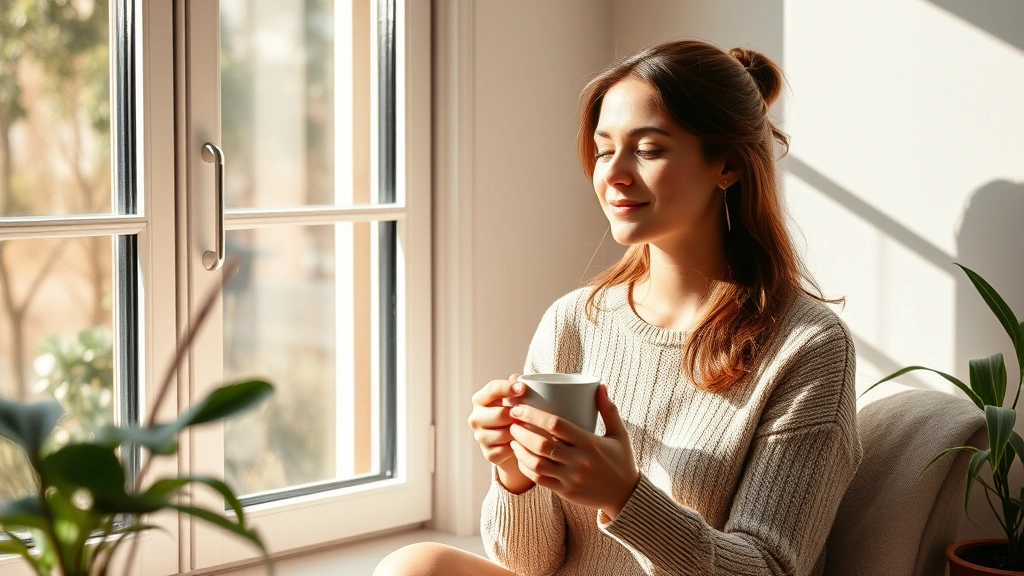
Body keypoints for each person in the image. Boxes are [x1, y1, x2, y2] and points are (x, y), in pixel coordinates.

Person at [375, 38, 861, 576]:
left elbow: (768, 569)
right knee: (414, 565)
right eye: (605, 149)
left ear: (726, 165)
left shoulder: (808, 348)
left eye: (649, 149)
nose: (613, 174)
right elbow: (530, 563)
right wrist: (516, 472)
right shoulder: (575, 321)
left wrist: (626, 497)